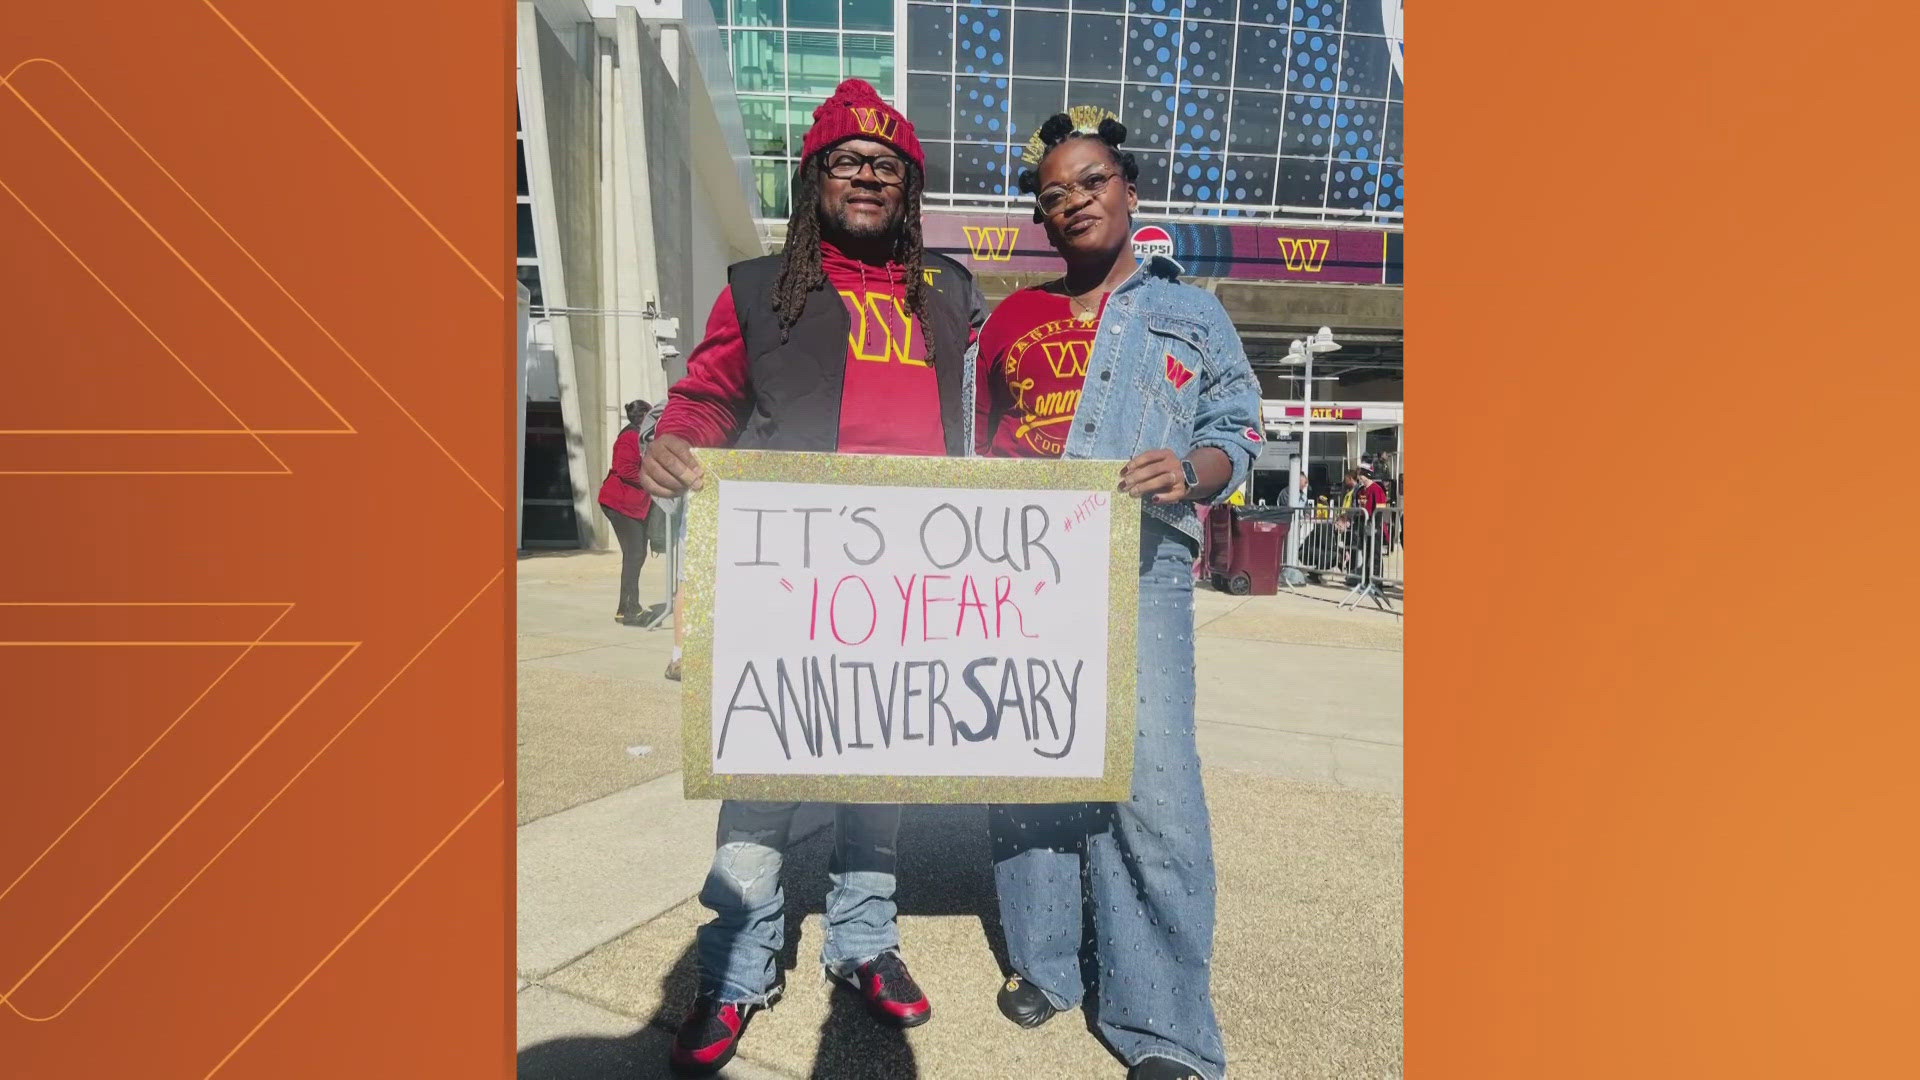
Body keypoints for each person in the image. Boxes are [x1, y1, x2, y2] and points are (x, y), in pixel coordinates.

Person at [637, 78, 985, 1077]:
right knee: (760, 784)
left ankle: (864, 941)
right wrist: (668, 444)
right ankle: (738, 969)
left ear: (908, 186)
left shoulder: (948, 290)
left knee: (881, 773)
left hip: (916, 574)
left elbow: (979, 424)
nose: (867, 176)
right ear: (815, 177)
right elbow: (702, 401)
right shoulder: (759, 287)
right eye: (847, 160)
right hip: (788, 579)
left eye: (886, 165)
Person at [967, 112, 1261, 1080]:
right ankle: (1048, 962)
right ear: (1042, 221)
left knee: (1155, 790)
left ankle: (1162, 1023)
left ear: (1129, 191)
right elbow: (964, 451)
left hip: (1141, 571)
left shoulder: (1195, 313)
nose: (1073, 200)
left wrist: (1193, 466)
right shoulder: (1007, 321)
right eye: (1053, 194)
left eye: (1090, 181)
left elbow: (1239, 431)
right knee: (1034, 765)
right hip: (1021, 573)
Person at [596, 399, 653, 626]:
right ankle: (629, 611)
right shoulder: (629, 438)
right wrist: (654, 481)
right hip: (620, 504)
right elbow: (626, 470)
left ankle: (626, 608)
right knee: (635, 555)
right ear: (645, 417)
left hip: (631, 505)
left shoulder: (640, 438)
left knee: (636, 554)